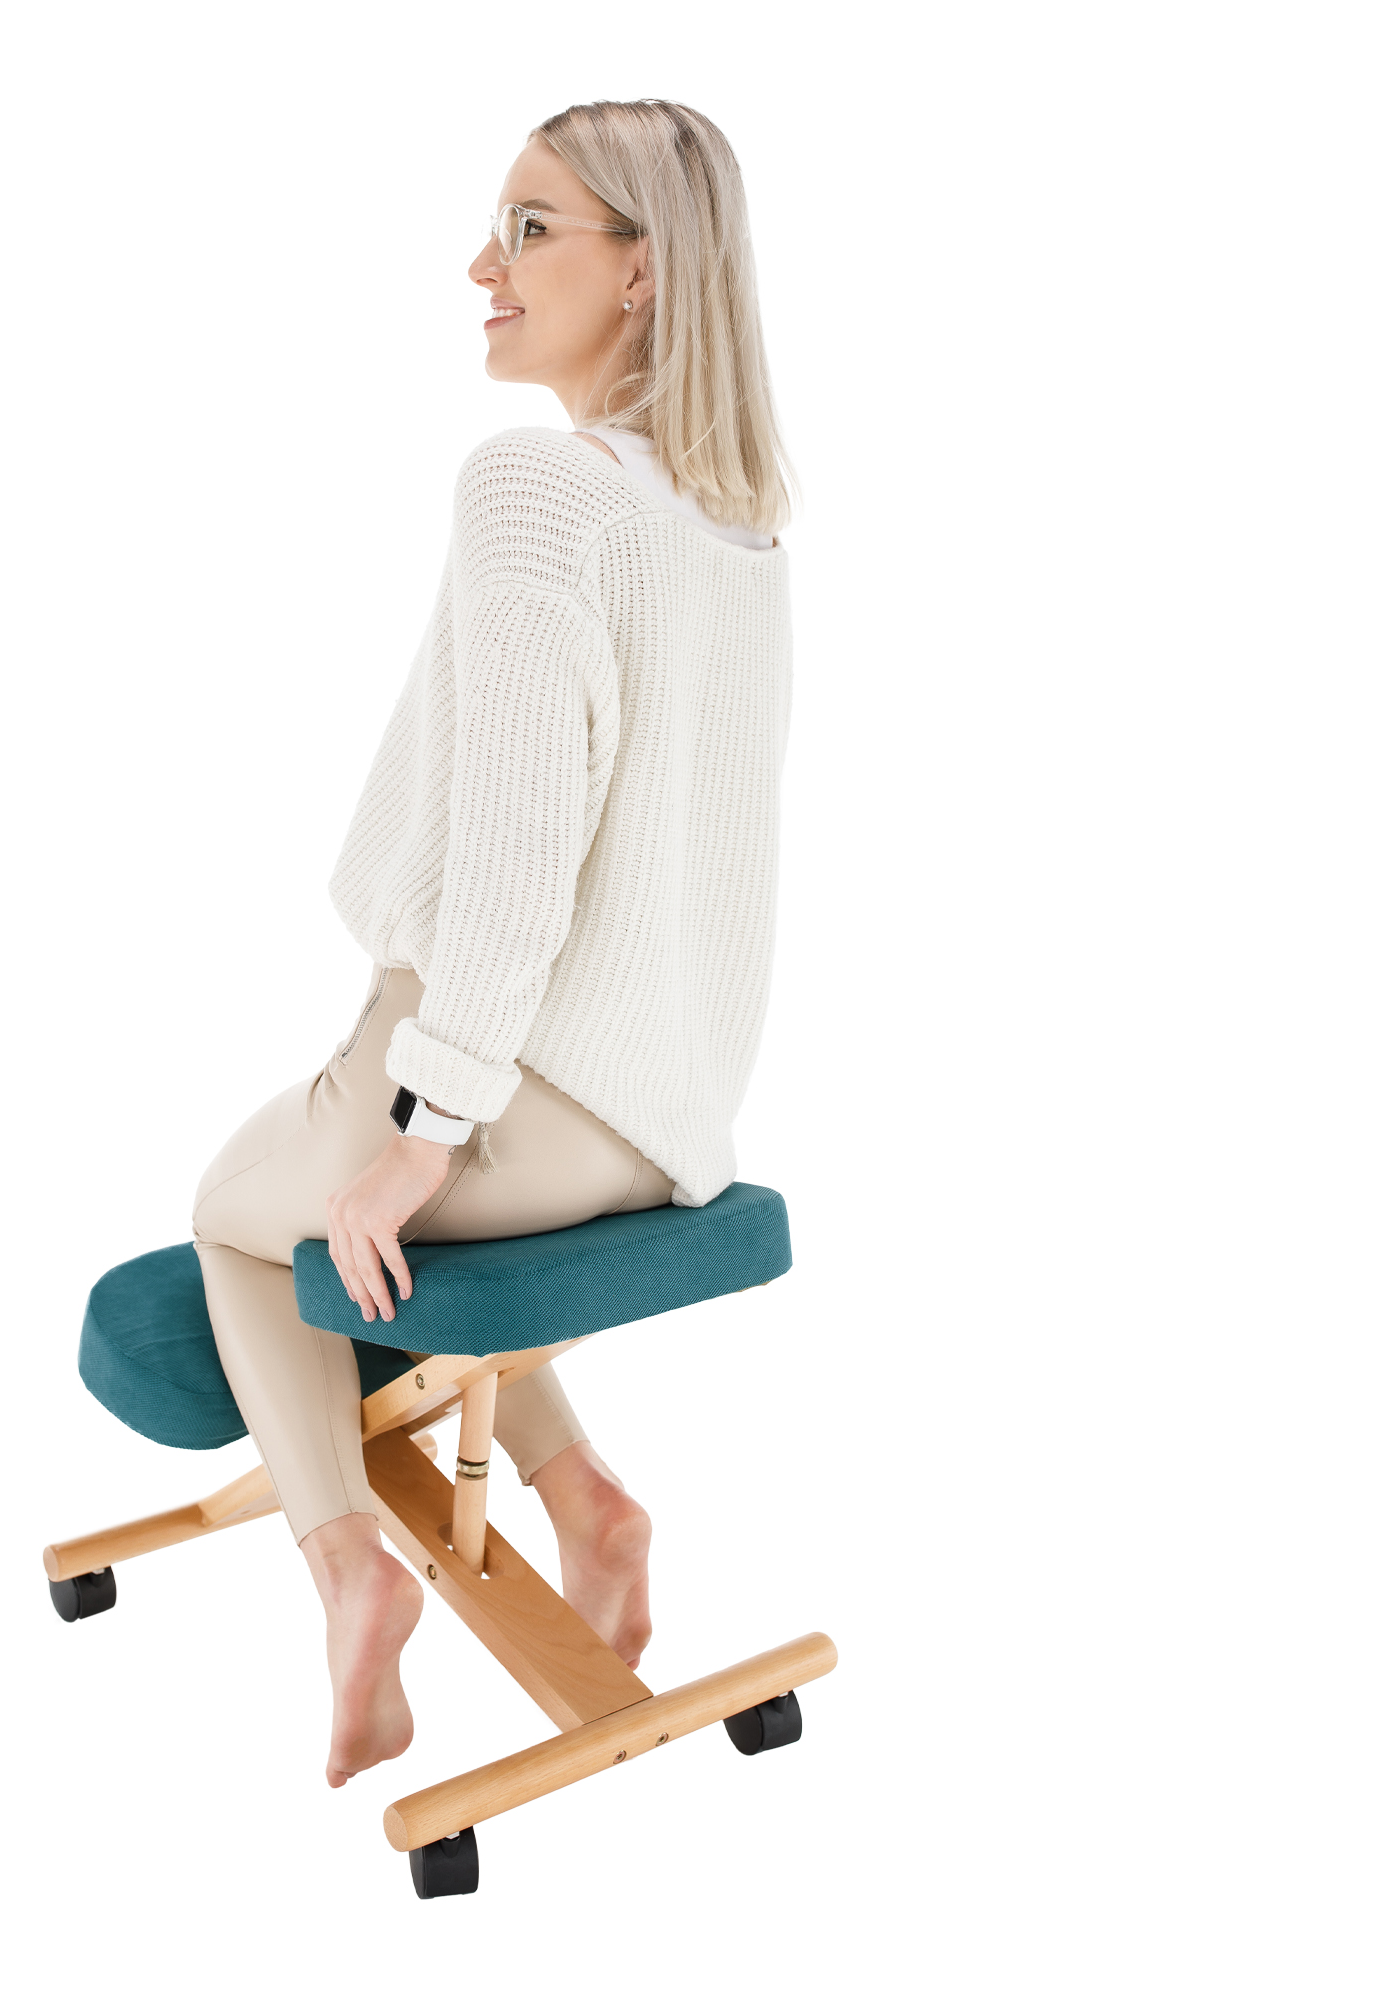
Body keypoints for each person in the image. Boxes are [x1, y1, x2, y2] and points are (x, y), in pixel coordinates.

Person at [189, 98, 795, 1788]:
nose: (484, 265)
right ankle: (585, 1501)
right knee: (380, 1233)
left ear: (645, 271)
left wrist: (423, 1127)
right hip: (658, 1120)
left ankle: (350, 1574)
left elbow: (518, 863)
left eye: (531, 229)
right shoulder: (736, 526)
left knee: (242, 1226)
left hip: (501, 1084)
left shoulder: (537, 491)